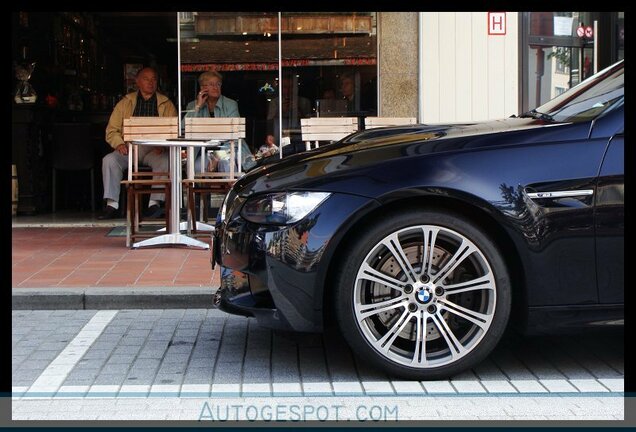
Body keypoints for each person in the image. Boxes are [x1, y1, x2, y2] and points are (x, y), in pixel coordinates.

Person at [99, 67, 177, 220]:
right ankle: (112, 205)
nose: (150, 82)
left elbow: (172, 130)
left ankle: (154, 204)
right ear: (137, 82)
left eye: (153, 79)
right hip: (129, 148)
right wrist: (119, 144)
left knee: (165, 161)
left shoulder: (166, 104)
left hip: (154, 150)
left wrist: (163, 145)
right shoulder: (125, 103)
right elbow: (112, 130)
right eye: (146, 79)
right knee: (109, 160)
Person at [184, 71, 253, 173]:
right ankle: (205, 189)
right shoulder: (192, 106)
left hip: (228, 150)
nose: (216, 87)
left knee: (226, 162)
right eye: (211, 84)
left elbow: (235, 136)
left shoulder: (230, 105)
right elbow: (184, 129)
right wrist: (198, 107)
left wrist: (217, 156)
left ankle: (230, 188)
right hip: (204, 152)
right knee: (196, 167)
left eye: (218, 84)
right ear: (203, 88)